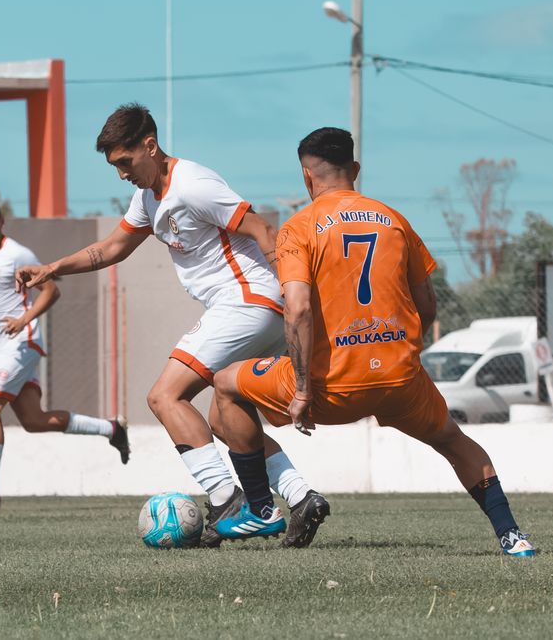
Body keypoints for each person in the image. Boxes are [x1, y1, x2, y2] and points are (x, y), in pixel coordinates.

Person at [213, 127, 535, 558]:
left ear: (306, 176)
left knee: (225, 384)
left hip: (331, 388)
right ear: (356, 169)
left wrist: (303, 390)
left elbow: (299, 310)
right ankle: (513, 537)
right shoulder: (395, 221)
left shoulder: (298, 229)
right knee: (454, 442)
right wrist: (401, 352)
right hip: (400, 381)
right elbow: (427, 305)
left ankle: (260, 508)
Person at [16, 103, 326, 547]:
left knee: (165, 395)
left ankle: (227, 501)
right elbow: (112, 249)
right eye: (114, 166)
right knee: (224, 418)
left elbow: (263, 230)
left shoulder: (193, 184)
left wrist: (292, 294)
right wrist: (52, 268)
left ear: (150, 145)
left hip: (248, 302)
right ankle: (299, 497)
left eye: (126, 162)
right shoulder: (147, 197)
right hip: (255, 308)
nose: (122, 174)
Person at [0, 194, 130, 512]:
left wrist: (23, 319)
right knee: (34, 420)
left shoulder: (18, 254)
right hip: (2, 347)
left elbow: (51, 290)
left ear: (1, 222)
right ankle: (112, 429)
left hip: (23, 341)